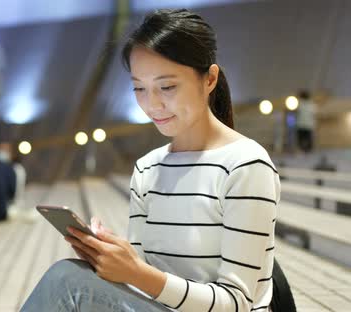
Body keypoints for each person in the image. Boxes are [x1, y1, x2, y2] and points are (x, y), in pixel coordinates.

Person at [22, 9, 284, 312]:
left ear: (209, 78)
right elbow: (141, 282)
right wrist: (111, 259)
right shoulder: (147, 169)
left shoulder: (246, 165)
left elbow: (236, 303)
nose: (152, 104)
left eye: (167, 87)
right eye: (139, 88)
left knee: (65, 281)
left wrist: (137, 272)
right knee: (73, 277)